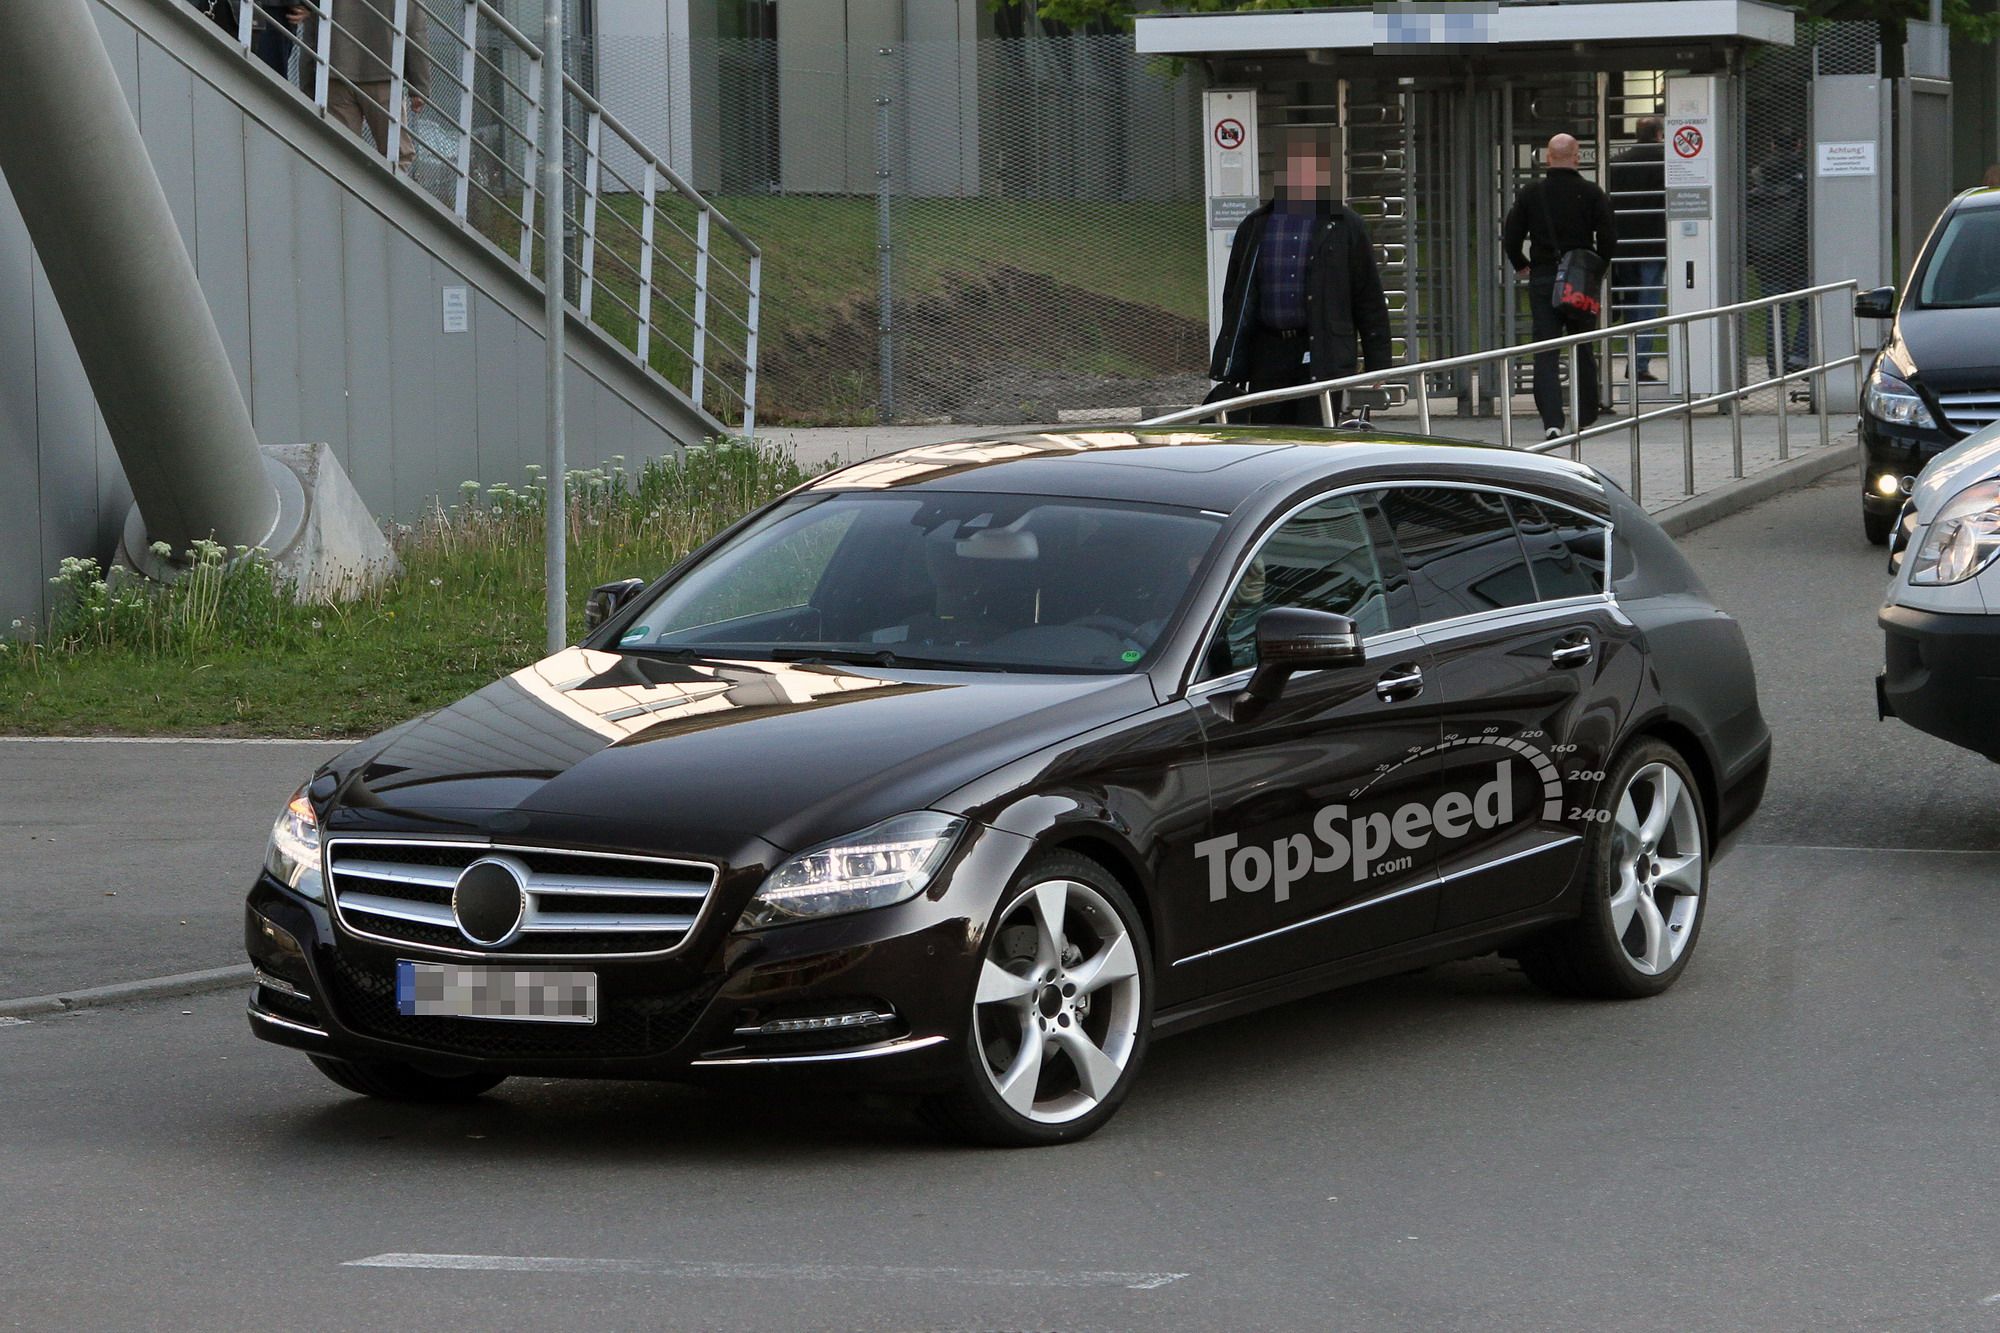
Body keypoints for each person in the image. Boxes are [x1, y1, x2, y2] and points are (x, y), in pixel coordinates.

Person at [1208, 127, 1394, 426]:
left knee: (1317, 440)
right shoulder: (1256, 226)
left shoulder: (1346, 227)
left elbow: (1368, 297)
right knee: (1267, 442)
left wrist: (1379, 364)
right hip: (1268, 355)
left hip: (1323, 351)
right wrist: (1233, 359)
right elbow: (1235, 296)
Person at [1502, 133, 1617, 440]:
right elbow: (1608, 239)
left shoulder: (1531, 193)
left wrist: (1522, 263)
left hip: (1543, 278)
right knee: (1582, 345)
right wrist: (1597, 269)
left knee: (1546, 350)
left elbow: (1511, 237)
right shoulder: (1592, 193)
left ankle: (1552, 421)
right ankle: (1584, 413)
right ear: (1577, 157)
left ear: (1548, 158)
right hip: (1579, 280)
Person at [327, 0, 431, 173]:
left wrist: (309, 82)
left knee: (342, 155)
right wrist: (419, 86)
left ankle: (345, 198)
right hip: (384, 72)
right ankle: (387, 198)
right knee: (396, 156)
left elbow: (314, 22)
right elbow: (415, 27)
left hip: (337, 69)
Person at [1748, 129, 1810, 376]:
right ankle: (1800, 355)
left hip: (1766, 255)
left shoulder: (1756, 175)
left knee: (1776, 312)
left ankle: (1776, 367)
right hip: (1797, 253)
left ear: (1772, 145)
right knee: (1810, 307)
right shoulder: (1805, 176)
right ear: (1798, 144)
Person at [1609, 117, 1666, 381]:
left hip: (1624, 243)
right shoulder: (1667, 161)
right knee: (1649, 301)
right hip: (1655, 242)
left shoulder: (1617, 163)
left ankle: (1634, 356)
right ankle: (1639, 363)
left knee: (1631, 300)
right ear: (1658, 134)